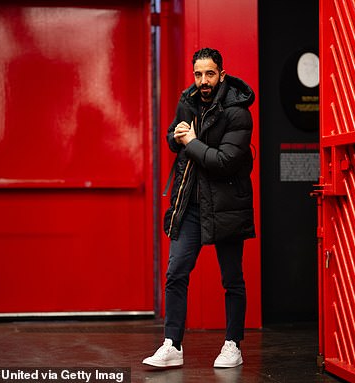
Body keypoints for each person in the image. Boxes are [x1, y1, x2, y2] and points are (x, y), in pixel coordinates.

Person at [143, 47, 255, 369]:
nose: (203, 81)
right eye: (198, 74)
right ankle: (172, 344)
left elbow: (225, 161)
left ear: (221, 73)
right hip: (191, 203)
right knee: (175, 272)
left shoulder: (237, 110)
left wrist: (190, 142)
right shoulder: (189, 100)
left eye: (209, 74)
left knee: (232, 278)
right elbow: (172, 136)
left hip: (226, 204)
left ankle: (233, 344)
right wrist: (176, 136)